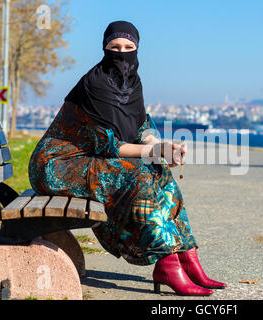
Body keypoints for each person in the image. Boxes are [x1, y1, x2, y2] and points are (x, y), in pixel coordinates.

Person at [28, 21, 226, 296]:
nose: (122, 54)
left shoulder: (133, 83)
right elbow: (107, 144)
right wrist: (153, 152)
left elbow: (141, 124)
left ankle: (185, 255)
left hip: (88, 159)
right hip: (57, 164)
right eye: (114, 47)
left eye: (128, 48)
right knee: (136, 174)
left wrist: (160, 146)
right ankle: (166, 262)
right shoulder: (94, 85)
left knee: (159, 172)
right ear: (104, 49)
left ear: (137, 49)